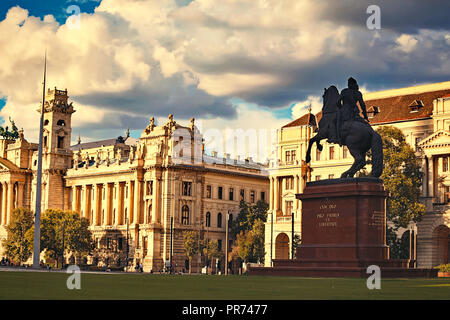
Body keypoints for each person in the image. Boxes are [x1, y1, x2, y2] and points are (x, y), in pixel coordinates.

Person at [336, 77, 370, 145]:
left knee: (337, 121)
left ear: (349, 84)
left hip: (345, 110)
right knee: (362, 122)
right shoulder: (358, 93)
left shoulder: (344, 91)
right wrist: (365, 116)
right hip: (355, 111)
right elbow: (362, 105)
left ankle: (338, 138)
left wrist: (340, 108)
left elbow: (338, 102)